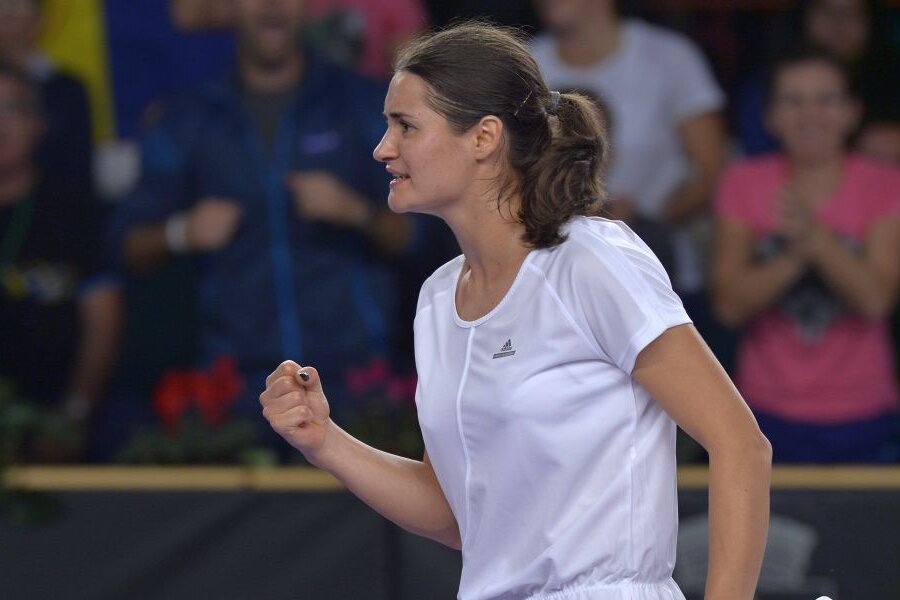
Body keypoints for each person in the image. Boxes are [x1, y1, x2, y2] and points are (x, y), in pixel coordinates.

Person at [261, 22, 771, 600]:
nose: (383, 148)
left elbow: (740, 445)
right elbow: (454, 513)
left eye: (406, 125)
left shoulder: (592, 260)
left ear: (484, 137)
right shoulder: (437, 299)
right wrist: (324, 440)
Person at [112, 0, 417, 440]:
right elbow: (125, 247)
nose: (272, 6)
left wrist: (357, 212)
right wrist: (183, 232)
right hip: (236, 390)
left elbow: (423, 239)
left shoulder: (363, 105)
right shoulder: (190, 116)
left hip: (356, 383)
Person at [712, 47, 900, 463]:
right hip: (761, 410)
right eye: (793, 101)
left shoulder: (886, 183)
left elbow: (875, 300)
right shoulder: (744, 182)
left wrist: (816, 239)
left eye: (826, 100)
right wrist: (795, 256)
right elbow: (729, 306)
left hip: (865, 410)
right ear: (770, 117)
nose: (810, 114)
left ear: (852, 112)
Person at [529, 0, 729, 299]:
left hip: (656, 263)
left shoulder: (668, 57)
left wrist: (641, 226)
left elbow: (713, 170)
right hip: (541, 259)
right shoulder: (523, 62)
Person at [0, 63, 121, 461]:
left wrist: (74, 413)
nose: (1, 124)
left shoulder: (73, 211)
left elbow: (103, 318)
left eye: (12, 109)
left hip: (52, 416)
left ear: (38, 124)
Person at [0, 0, 94, 196]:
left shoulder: (68, 90)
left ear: (39, 19)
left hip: (54, 204)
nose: (6, 15)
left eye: (16, 5)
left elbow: (77, 167)